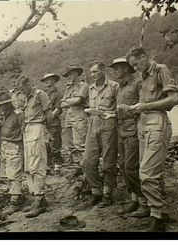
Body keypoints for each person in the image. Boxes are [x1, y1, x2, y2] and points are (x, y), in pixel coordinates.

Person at [126, 47, 178, 231]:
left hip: (157, 123)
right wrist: (135, 108)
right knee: (149, 171)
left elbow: (173, 100)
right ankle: (157, 210)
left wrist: (145, 106)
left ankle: (157, 216)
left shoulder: (160, 70)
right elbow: (145, 104)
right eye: (133, 66)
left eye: (136, 63)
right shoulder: (144, 76)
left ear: (144, 57)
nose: (135, 68)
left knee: (147, 173)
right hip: (144, 124)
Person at [109, 57, 145, 215]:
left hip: (133, 130)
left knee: (132, 167)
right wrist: (110, 114)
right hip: (121, 131)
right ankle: (134, 199)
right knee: (123, 166)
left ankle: (145, 202)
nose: (115, 71)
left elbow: (144, 106)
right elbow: (119, 110)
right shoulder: (119, 88)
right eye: (114, 68)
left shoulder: (137, 83)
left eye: (117, 68)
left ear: (126, 68)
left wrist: (132, 112)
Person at [15, 75, 53, 218]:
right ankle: (36, 197)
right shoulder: (26, 97)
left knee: (37, 165)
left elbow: (49, 115)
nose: (21, 91)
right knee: (29, 167)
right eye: (19, 89)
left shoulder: (40, 95)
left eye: (23, 88)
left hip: (38, 128)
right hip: (28, 130)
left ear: (29, 84)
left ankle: (40, 199)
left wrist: (46, 131)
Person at [83, 61, 119, 208]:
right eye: (91, 72)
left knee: (108, 162)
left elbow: (119, 110)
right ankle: (96, 191)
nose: (93, 75)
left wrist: (107, 114)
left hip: (108, 126)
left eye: (95, 72)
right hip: (92, 125)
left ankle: (107, 193)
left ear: (103, 70)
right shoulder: (90, 89)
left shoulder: (114, 87)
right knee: (87, 161)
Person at [0, 88, 25, 218]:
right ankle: (13, 195)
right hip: (5, 146)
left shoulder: (19, 115)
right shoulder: (3, 116)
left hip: (15, 146)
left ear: (9, 104)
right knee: (8, 173)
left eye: (4, 105)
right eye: (0, 105)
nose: (2, 108)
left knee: (15, 173)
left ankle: (15, 201)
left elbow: (25, 131)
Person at [61, 65, 89, 176]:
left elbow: (78, 100)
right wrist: (69, 101)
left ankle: (85, 168)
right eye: (68, 75)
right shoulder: (68, 87)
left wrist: (68, 101)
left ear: (77, 73)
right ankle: (78, 166)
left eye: (71, 73)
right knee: (70, 143)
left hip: (79, 114)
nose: (69, 76)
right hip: (69, 114)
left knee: (80, 143)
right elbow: (62, 103)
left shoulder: (83, 85)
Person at [41, 72, 64, 176]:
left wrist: (49, 117)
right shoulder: (43, 94)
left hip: (53, 122)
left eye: (49, 79)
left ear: (54, 80)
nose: (47, 82)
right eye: (45, 80)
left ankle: (57, 167)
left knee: (55, 144)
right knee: (46, 145)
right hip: (45, 122)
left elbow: (58, 109)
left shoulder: (57, 93)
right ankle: (48, 166)